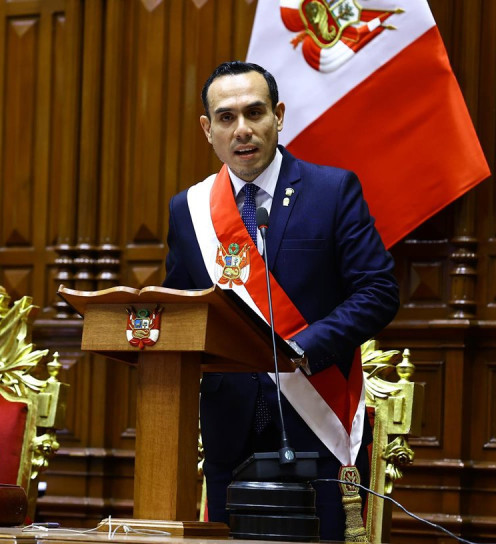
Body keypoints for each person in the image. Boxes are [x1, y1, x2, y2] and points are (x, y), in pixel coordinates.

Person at [163, 61, 399, 540]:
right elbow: (182, 311)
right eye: (226, 117)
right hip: (230, 429)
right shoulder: (189, 210)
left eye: (255, 112)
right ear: (208, 130)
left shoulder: (332, 191)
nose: (242, 130)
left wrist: (303, 348)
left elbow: (378, 291)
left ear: (279, 116)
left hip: (317, 418)